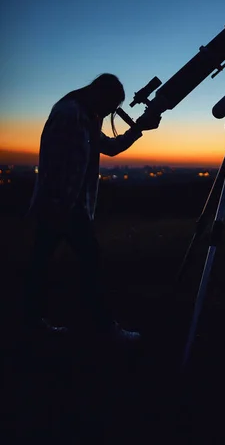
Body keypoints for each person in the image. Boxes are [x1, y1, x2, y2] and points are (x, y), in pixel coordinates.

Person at [23, 73, 160, 343]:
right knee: (90, 264)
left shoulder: (84, 114)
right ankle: (102, 326)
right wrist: (63, 208)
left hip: (62, 206)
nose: (110, 112)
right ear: (100, 95)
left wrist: (139, 128)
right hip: (63, 206)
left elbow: (109, 147)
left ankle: (33, 323)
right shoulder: (69, 114)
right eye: (110, 106)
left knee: (42, 264)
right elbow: (57, 165)